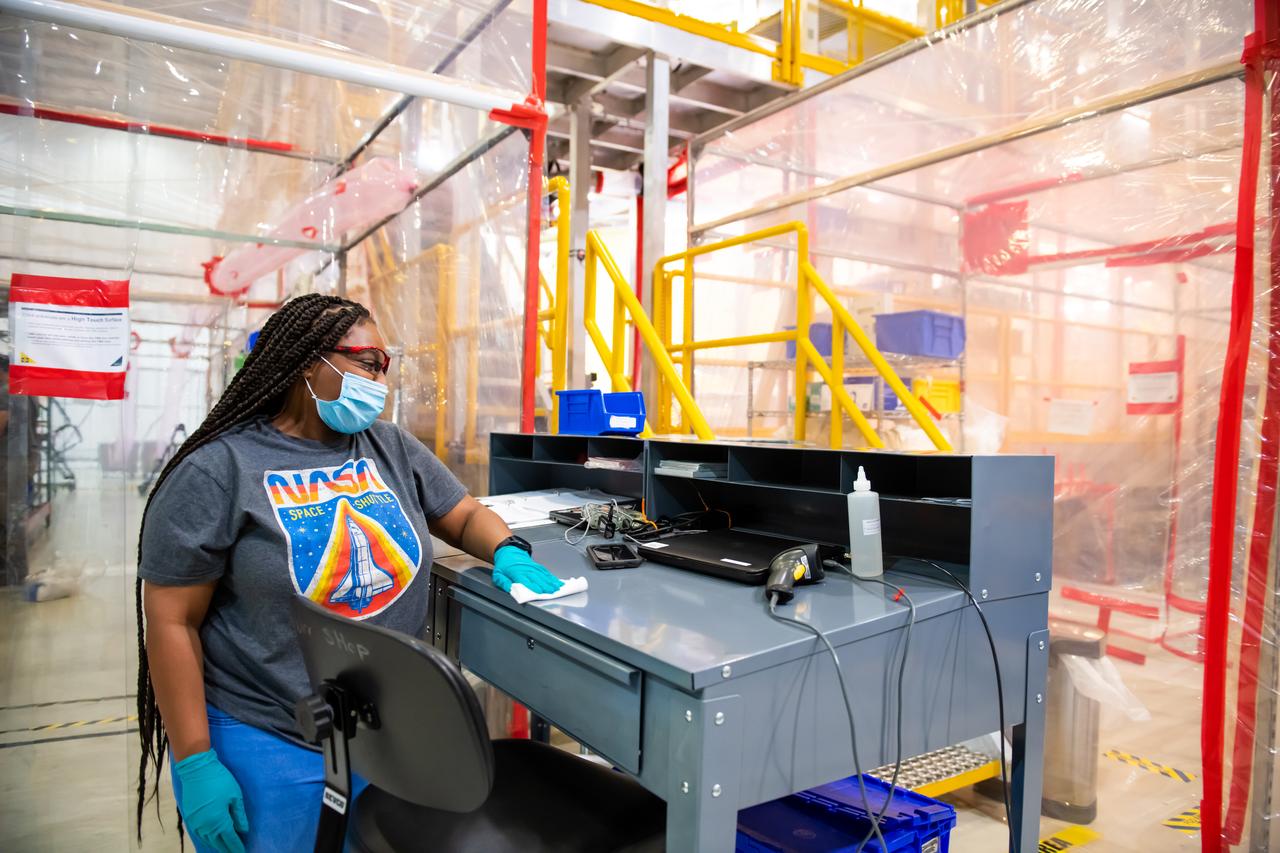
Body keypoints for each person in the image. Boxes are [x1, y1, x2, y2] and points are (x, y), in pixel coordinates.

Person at [135, 294, 564, 853]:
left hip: (385, 735)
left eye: (384, 365)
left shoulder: (387, 446)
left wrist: (506, 550)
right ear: (307, 364)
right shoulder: (220, 470)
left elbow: (460, 515)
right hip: (270, 736)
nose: (379, 379)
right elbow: (170, 620)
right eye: (367, 362)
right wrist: (195, 761)